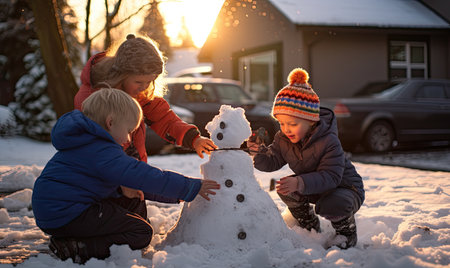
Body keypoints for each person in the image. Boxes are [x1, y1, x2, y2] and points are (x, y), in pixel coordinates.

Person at [32, 88, 220, 263]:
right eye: (129, 131)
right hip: (66, 213)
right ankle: (75, 248)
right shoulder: (101, 151)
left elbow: (141, 185)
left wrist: (179, 195)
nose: (129, 139)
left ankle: (75, 238)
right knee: (141, 232)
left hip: (61, 210)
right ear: (111, 122)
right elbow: (144, 176)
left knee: (133, 196)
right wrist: (188, 187)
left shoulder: (89, 143)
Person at [247, 68, 365, 249]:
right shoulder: (283, 139)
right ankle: (309, 224)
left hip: (345, 188)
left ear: (310, 120)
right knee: (286, 188)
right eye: (282, 123)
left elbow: (332, 176)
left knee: (334, 203)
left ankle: (346, 233)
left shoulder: (329, 141)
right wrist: (259, 152)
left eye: (292, 124)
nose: (286, 129)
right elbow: (272, 162)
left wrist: (300, 182)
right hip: (315, 186)